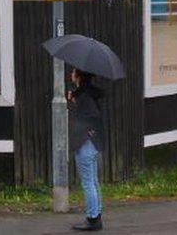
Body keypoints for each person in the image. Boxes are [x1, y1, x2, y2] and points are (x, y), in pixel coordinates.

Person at [68, 68, 105, 231]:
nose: (71, 74)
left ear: (78, 76)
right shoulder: (85, 94)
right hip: (93, 143)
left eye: (73, 72)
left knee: (88, 183)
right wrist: (75, 100)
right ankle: (96, 213)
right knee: (94, 181)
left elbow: (91, 118)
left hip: (86, 144)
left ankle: (93, 219)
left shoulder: (83, 96)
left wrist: (86, 134)